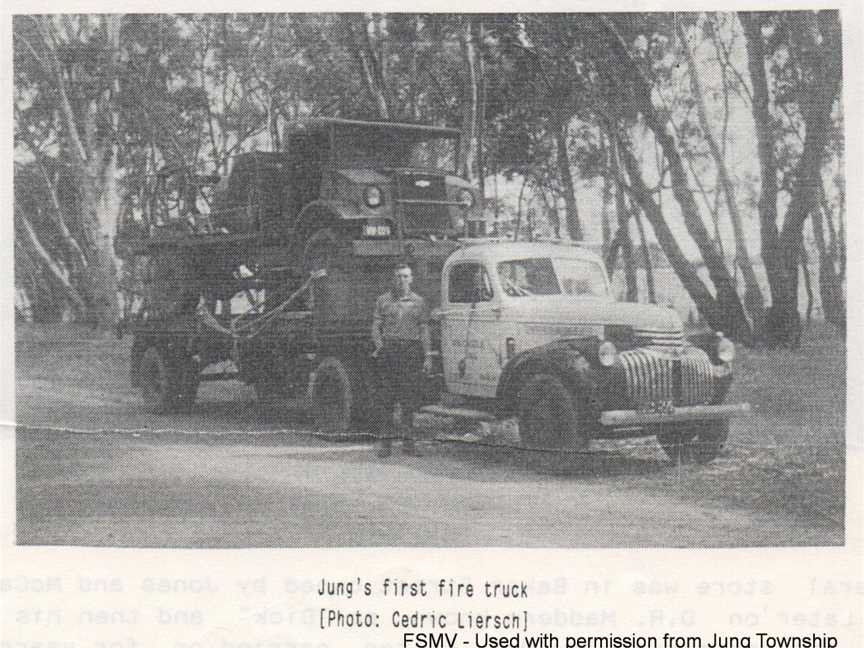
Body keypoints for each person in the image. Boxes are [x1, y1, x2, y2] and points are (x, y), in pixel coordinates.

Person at [371, 264, 433, 457]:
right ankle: (385, 444)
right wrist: (380, 346)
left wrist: (427, 356)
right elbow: (375, 327)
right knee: (387, 399)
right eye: (398, 277)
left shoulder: (419, 302)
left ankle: (409, 444)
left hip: (411, 351)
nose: (402, 280)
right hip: (390, 350)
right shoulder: (383, 300)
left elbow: (424, 330)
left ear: (411, 279)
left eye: (406, 276)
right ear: (393, 279)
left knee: (408, 399)